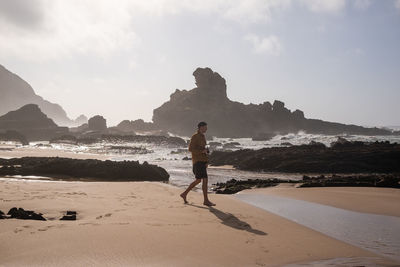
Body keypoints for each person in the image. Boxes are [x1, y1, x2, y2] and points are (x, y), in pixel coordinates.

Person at [180, 121, 216, 206]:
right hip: (197, 161)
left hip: (202, 161)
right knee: (204, 180)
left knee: (198, 180)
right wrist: (201, 151)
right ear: (200, 127)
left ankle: (184, 194)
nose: (206, 129)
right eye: (205, 127)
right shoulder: (195, 136)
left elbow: (203, 149)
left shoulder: (203, 137)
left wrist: (207, 159)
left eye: (206, 127)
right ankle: (206, 201)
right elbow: (190, 149)